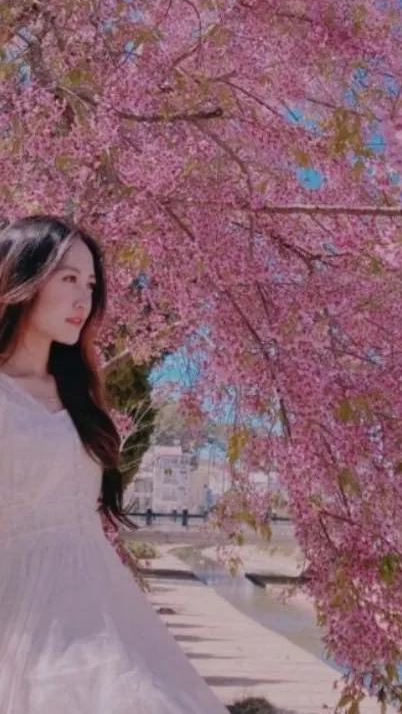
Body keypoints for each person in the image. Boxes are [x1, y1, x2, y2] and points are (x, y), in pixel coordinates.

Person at [0, 215, 229, 714]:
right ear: (23, 278)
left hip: (103, 607)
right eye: (68, 279)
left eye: (90, 284)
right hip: (21, 615)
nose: (84, 300)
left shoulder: (80, 395)